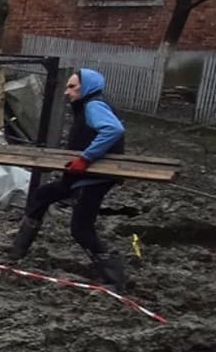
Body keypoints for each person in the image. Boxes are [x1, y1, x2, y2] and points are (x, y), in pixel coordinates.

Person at [7, 68, 129, 293]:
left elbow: (113, 130)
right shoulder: (86, 107)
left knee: (81, 229)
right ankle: (16, 253)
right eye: (67, 86)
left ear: (88, 88)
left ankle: (114, 278)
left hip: (93, 179)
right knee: (43, 194)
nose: (67, 92)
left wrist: (86, 158)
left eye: (73, 87)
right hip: (79, 177)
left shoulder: (94, 105)